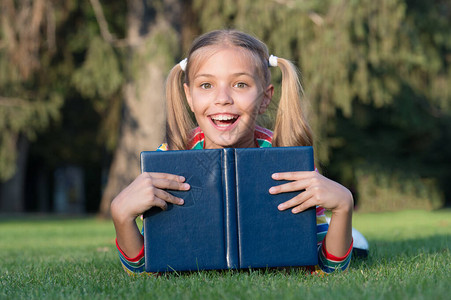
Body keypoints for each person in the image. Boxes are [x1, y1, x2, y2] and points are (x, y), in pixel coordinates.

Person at [111, 29, 354, 275]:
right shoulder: (169, 158)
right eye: (206, 85)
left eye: (240, 84)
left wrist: (344, 206)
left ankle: (358, 240)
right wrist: (121, 216)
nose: (223, 99)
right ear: (190, 97)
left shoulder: (290, 160)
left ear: (264, 97)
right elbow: (146, 270)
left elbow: (326, 269)